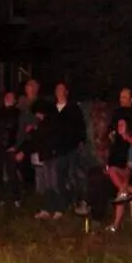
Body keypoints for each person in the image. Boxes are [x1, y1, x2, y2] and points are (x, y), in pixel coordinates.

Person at [0, 91, 24, 207]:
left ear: (15, 100)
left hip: (10, 147)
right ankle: (0, 197)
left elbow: (21, 132)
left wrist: (16, 146)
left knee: (12, 173)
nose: (9, 98)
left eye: (12, 97)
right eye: (7, 96)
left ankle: (16, 197)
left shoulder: (19, 113)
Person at [53, 82, 87, 213]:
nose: (59, 91)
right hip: (57, 148)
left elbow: (80, 126)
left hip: (71, 147)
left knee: (73, 175)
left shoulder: (73, 108)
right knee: (59, 177)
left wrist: (80, 141)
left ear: (66, 92)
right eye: (57, 89)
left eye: (61, 89)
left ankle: (77, 201)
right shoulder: (52, 109)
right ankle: (64, 203)